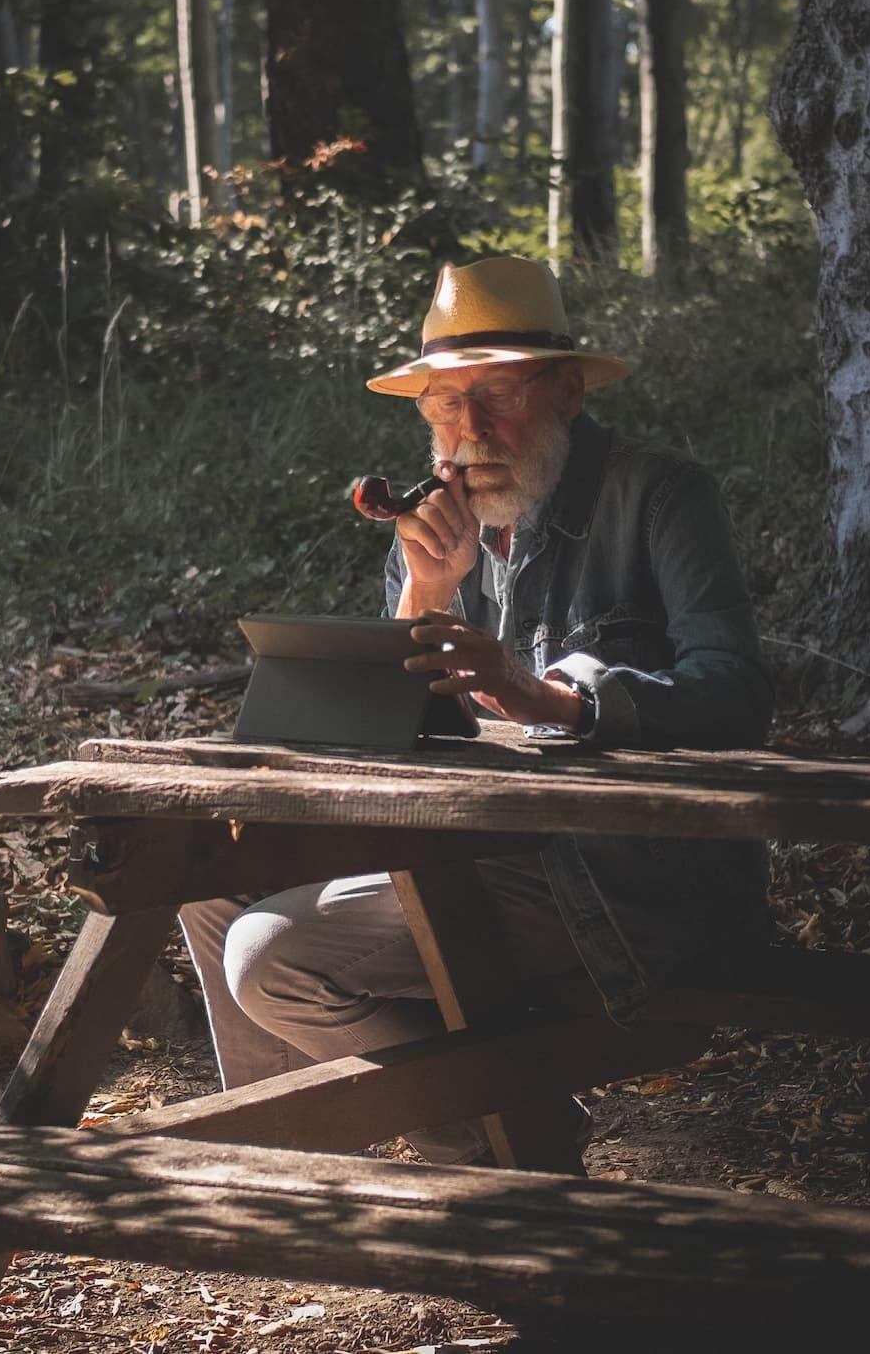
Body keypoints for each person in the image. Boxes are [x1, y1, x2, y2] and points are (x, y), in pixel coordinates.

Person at [180, 254, 773, 1164]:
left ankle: (500, 1161)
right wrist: (423, 598)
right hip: (463, 847)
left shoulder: (658, 495)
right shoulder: (433, 531)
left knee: (268, 953)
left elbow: (734, 694)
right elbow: (393, 744)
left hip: (621, 878)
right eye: (445, 407)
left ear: (568, 391)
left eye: (496, 398)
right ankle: (297, 1176)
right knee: (206, 885)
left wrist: (547, 696)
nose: (470, 433)